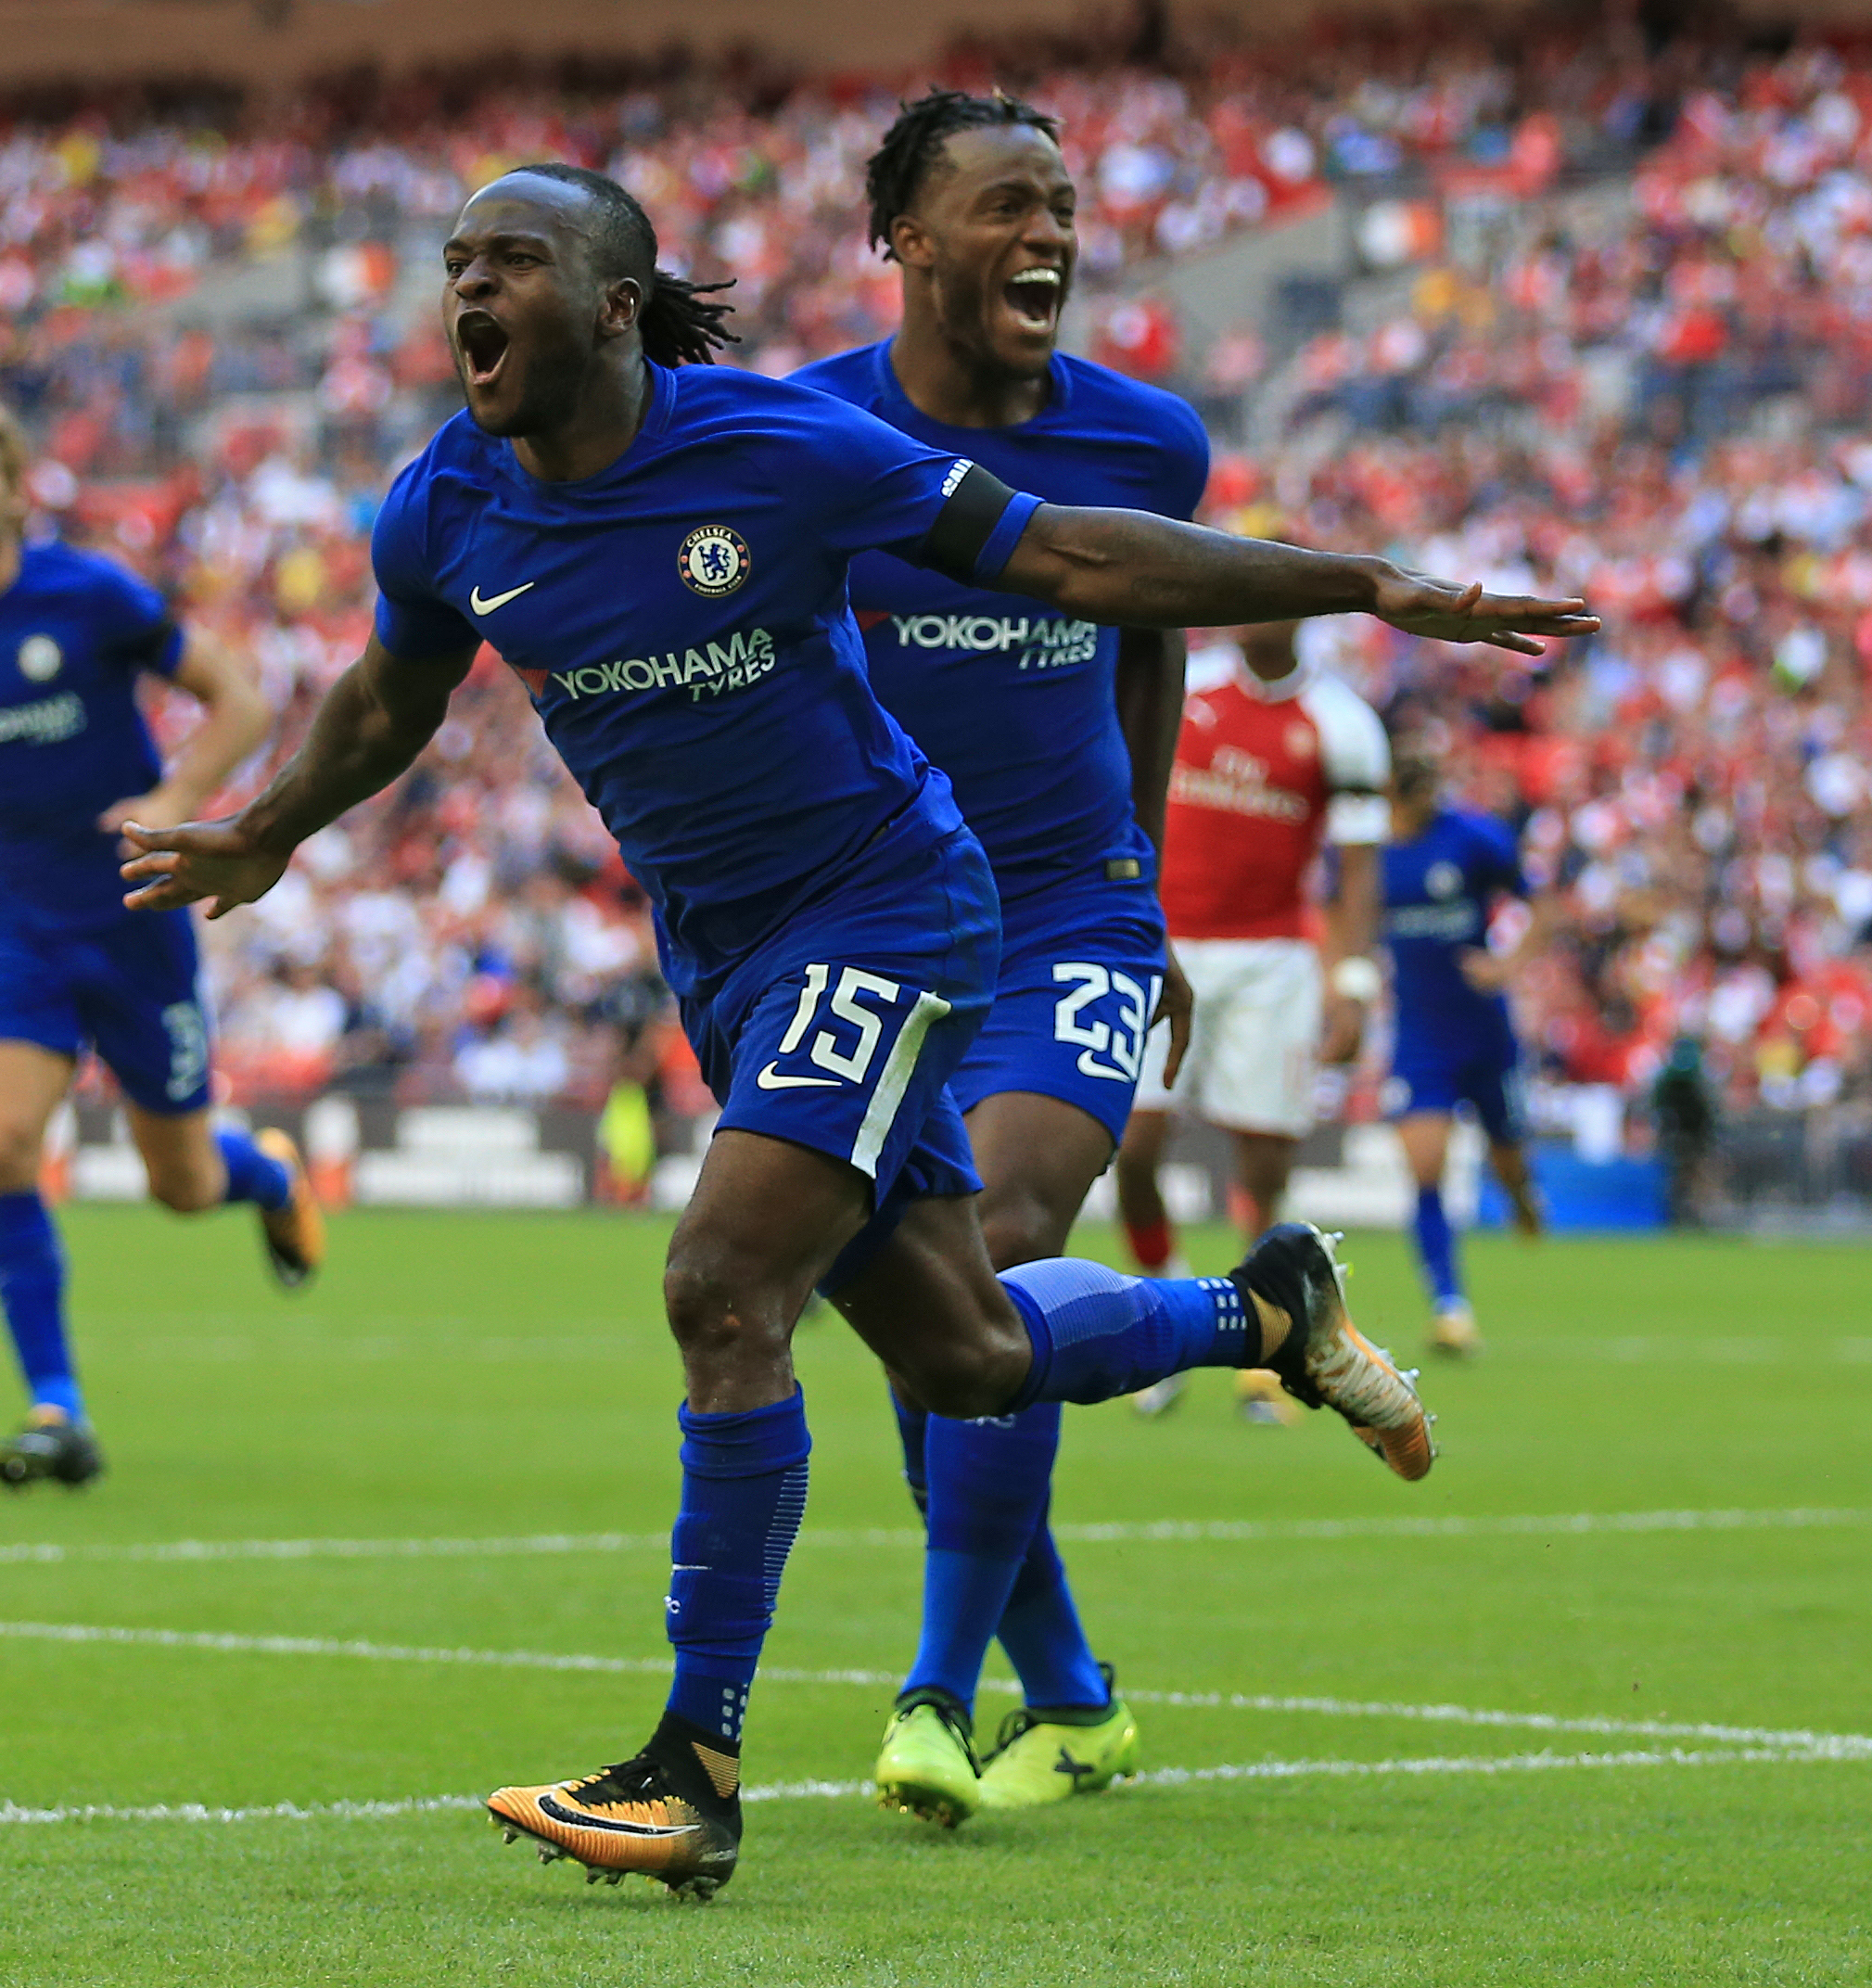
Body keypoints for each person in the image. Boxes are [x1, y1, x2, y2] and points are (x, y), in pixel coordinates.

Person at [121, 164, 1592, 1899]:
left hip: (887, 908)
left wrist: (1355, 582)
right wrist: (277, 824)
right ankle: (1262, 1307)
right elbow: (390, 688)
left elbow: (1064, 550)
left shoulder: (773, 450)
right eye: (452, 265)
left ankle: (692, 1766)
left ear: (609, 301)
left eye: (506, 262)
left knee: (719, 1282)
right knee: (962, 1353)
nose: (464, 293)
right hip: (730, 961)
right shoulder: (444, 500)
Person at [789, 88, 1205, 1824]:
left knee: (1003, 1243)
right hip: (878, 927)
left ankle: (932, 1696)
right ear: (900, 236)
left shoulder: (1145, 446)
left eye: (1060, 204)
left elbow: (1151, 652)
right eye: (1001, 206)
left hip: (1064, 914)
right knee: (914, 1309)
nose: (1044, 234)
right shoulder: (796, 436)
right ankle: (1079, 1693)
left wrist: (1150, 885)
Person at [0, 399, 324, 1492]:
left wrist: (172, 796)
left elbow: (240, 700)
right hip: (17, 927)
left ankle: (262, 1174)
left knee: (177, 1183)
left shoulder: (90, 594)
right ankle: (56, 1405)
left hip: (134, 918)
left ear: (17, 489)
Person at [1118, 608, 1390, 1417]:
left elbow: (1359, 870)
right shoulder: (1184, 687)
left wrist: (1353, 985)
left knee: (1264, 1163)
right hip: (1166, 945)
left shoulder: (1341, 723)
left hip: (1273, 960)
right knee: (1132, 1145)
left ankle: (1260, 1339)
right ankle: (1165, 1318)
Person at [1377, 738, 1547, 1358]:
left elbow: (1542, 904)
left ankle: (1524, 1199)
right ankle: (1451, 1306)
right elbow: (1340, 918)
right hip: (1419, 1035)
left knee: (1509, 1158)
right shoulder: (1366, 852)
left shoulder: (1475, 840)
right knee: (1425, 1168)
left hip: (1483, 1030)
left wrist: (1508, 965)